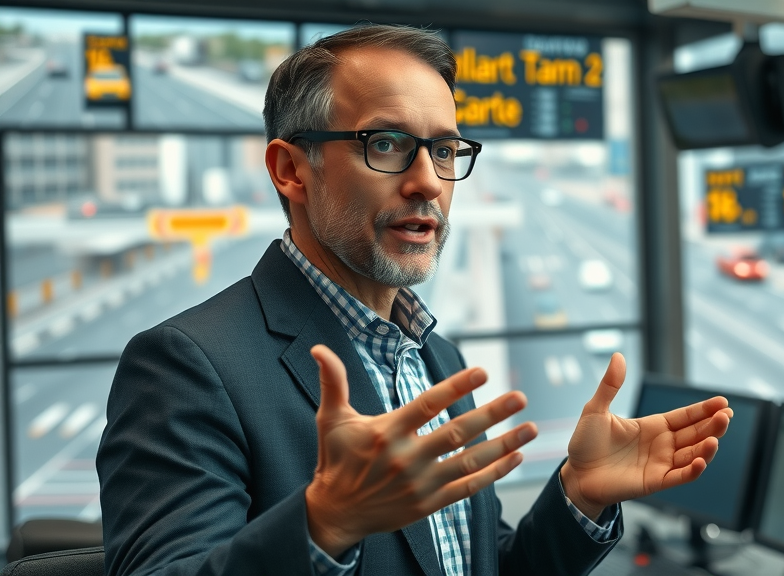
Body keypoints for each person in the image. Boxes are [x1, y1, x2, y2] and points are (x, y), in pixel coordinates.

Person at [96, 24, 733, 576]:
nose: (428, 181)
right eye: (387, 144)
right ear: (291, 169)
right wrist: (324, 524)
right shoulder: (187, 365)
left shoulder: (434, 358)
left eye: (446, 149)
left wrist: (579, 497)